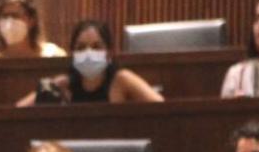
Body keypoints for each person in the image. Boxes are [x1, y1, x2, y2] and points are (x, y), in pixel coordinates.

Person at [17, 19, 162, 106]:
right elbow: (19, 108)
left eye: (96, 46)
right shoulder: (63, 83)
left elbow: (160, 106)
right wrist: (52, 87)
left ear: (109, 52)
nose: (88, 52)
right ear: (72, 53)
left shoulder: (122, 79)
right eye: (81, 47)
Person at [0, 0, 66, 59]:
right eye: (5, 16)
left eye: (15, 16)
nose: (9, 22)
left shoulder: (53, 55)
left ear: (32, 20)